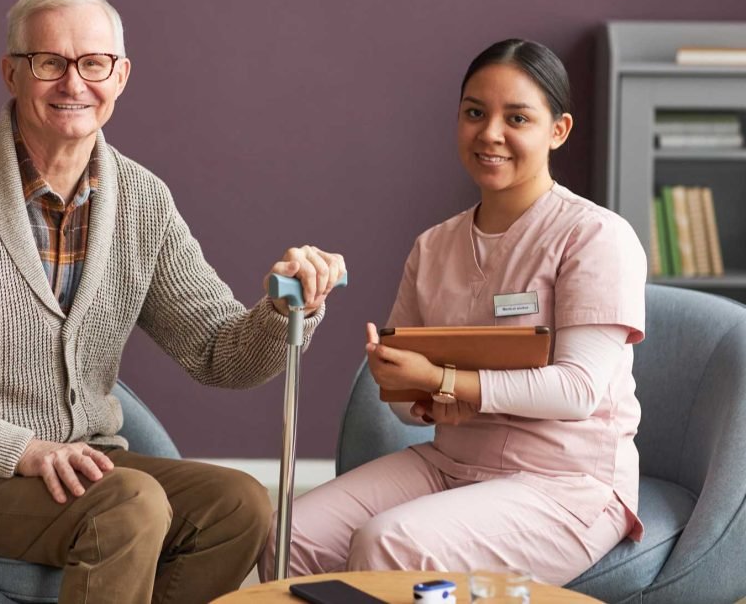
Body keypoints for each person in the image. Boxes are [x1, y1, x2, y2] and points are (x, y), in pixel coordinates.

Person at [0, 0, 346, 604]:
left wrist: (285, 309)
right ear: (12, 73)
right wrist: (19, 449)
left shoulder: (142, 200)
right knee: (128, 506)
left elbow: (219, 353)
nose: (73, 84)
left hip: (82, 464)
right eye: (49, 62)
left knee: (238, 505)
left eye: (94, 63)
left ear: (121, 75)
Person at [259, 38, 646, 585]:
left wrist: (447, 379)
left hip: (565, 482)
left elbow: (578, 389)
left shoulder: (596, 236)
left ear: (557, 130)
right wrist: (414, 393)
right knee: (288, 531)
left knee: (388, 544)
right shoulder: (434, 245)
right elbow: (403, 406)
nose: (490, 133)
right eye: (474, 113)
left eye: (517, 117)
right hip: (450, 465)